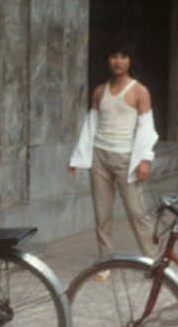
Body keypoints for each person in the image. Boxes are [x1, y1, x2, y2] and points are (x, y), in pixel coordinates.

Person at [67, 40, 159, 260]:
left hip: (126, 158)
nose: (118, 61)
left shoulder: (139, 91)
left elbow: (147, 127)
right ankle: (105, 260)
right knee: (102, 214)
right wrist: (76, 157)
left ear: (130, 61)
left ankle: (153, 260)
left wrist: (145, 160)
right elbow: (91, 126)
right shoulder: (100, 91)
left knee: (137, 211)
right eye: (114, 56)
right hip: (99, 156)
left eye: (123, 57)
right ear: (108, 60)